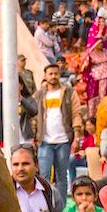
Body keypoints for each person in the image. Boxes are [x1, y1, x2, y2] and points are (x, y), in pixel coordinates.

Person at [34, 61, 83, 201]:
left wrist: (77, 137)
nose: (53, 76)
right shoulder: (39, 95)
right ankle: (44, 203)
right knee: (44, 175)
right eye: (50, 74)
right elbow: (33, 116)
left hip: (64, 140)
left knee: (62, 176)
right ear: (45, 76)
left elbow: (76, 114)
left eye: (56, 73)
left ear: (59, 74)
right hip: (45, 141)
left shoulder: (69, 93)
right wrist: (34, 135)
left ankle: (60, 207)